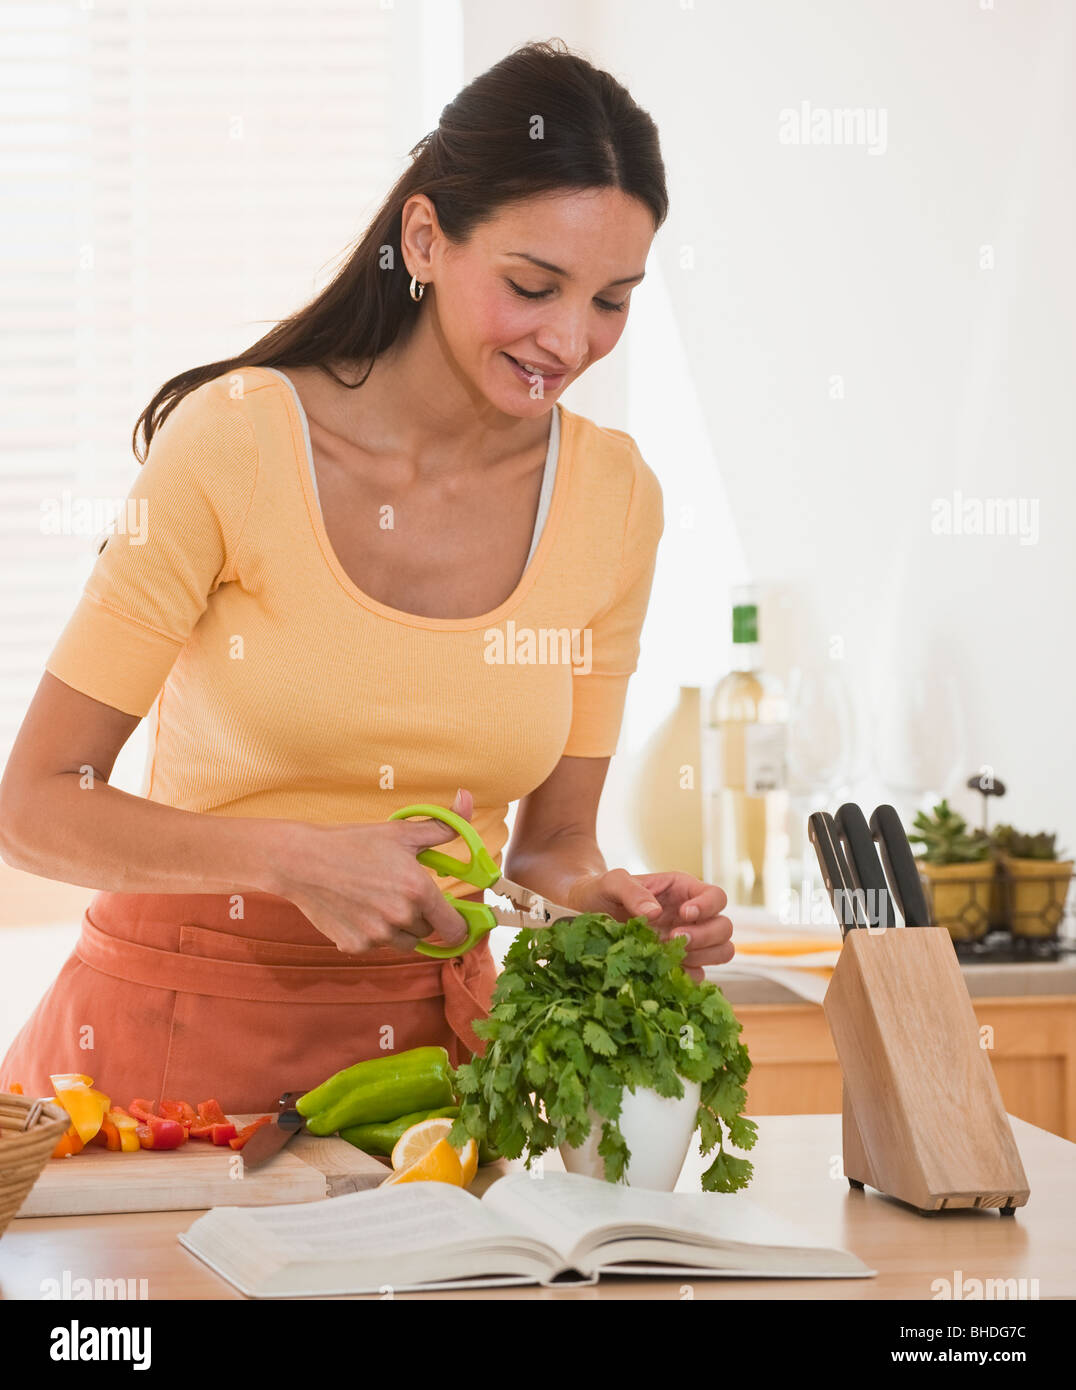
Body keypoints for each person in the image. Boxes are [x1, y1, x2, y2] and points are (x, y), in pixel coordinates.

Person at [0, 40, 733, 1113]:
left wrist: (606, 903)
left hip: (434, 1081)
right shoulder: (238, 443)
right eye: (532, 285)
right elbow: (34, 807)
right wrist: (294, 860)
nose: (568, 340)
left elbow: (553, 846)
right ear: (425, 240)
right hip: (171, 1058)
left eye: (611, 300)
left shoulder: (614, 500)